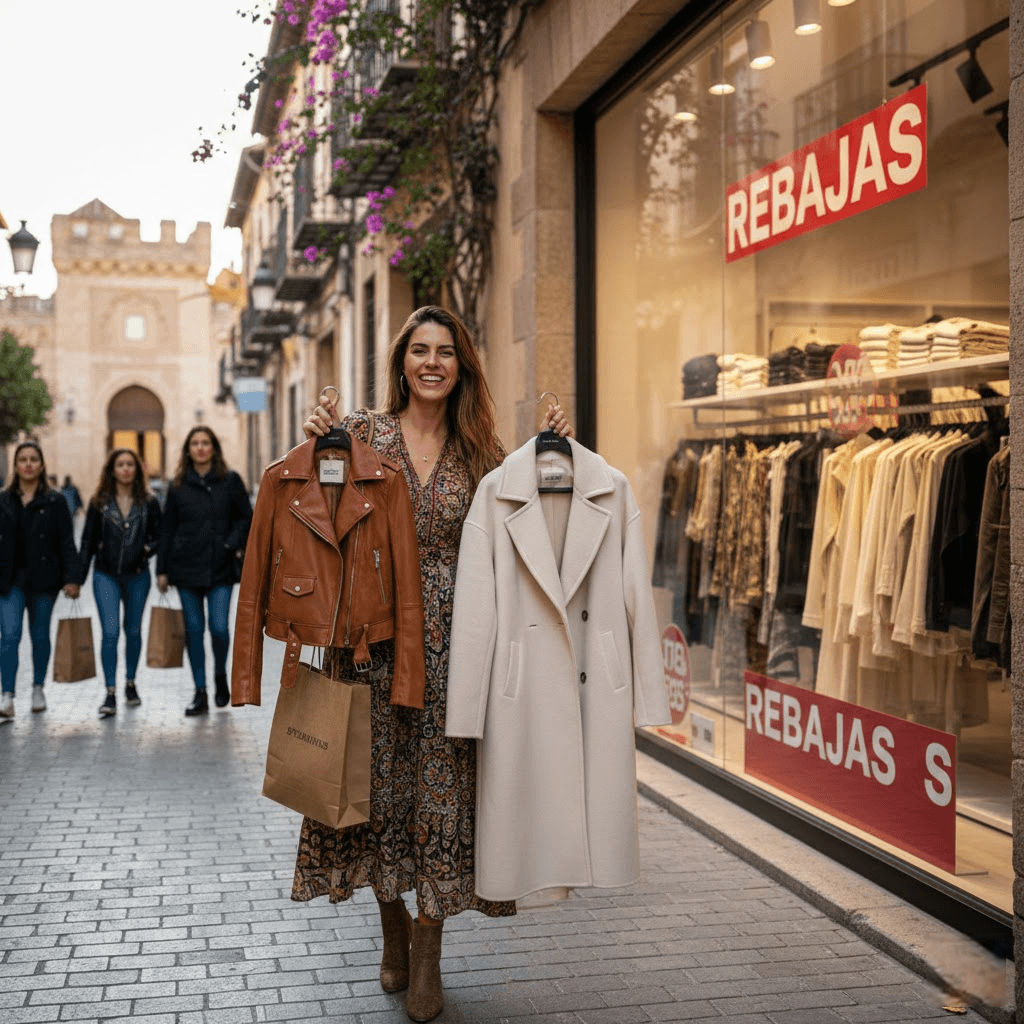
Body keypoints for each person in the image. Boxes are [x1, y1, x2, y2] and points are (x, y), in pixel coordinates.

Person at [299, 305, 572, 1022]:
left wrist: (554, 456)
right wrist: (318, 445)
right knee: (376, 793)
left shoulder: (482, 451)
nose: (431, 363)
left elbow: (526, 530)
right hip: (371, 641)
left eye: (445, 352)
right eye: (419, 350)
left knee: (441, 796)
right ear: (401, 362)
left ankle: (428, 948)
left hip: (457, 645)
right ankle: (391, 923)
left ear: (461, 366)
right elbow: (319, 512)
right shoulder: (364, 433)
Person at [157, 426, 251, 716]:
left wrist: (230, 544)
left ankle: (220, 674)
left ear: (214, 448)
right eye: (195, 443)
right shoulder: (177, 485)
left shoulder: (230, 480)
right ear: (188, 450)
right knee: (194, 630)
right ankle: (200, 691)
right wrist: (161, 570)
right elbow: (167, 529)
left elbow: (246, 518)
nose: (200, 448)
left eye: (205, 443)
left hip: (220, 567)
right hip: (185, 569)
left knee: (219, 628)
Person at [0, 441, 81, 719]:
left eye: (33, 459)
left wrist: (72, 578)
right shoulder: (4, 499)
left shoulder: (55, 501)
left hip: (44, 579)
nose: (28, 464)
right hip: (10, 579)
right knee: (9, 635)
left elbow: (66, 542)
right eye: (23, 459)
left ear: (42, 464)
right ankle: (7, 695)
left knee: (40, 635)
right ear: (15, 465)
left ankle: (37, 687)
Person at [78, 449, 161, 718]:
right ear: (112, 470)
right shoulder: (99, 502)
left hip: (138, 575)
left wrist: (146, 550)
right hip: (105, 575)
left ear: (137, 469)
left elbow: (161, 536)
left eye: (130, 464)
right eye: (120, 464)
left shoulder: (149, 501)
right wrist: (76, 579)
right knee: (111, 633)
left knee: (133, 631)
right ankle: (110, 691)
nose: (125, 469)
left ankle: (130, 683)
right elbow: (87, 541)